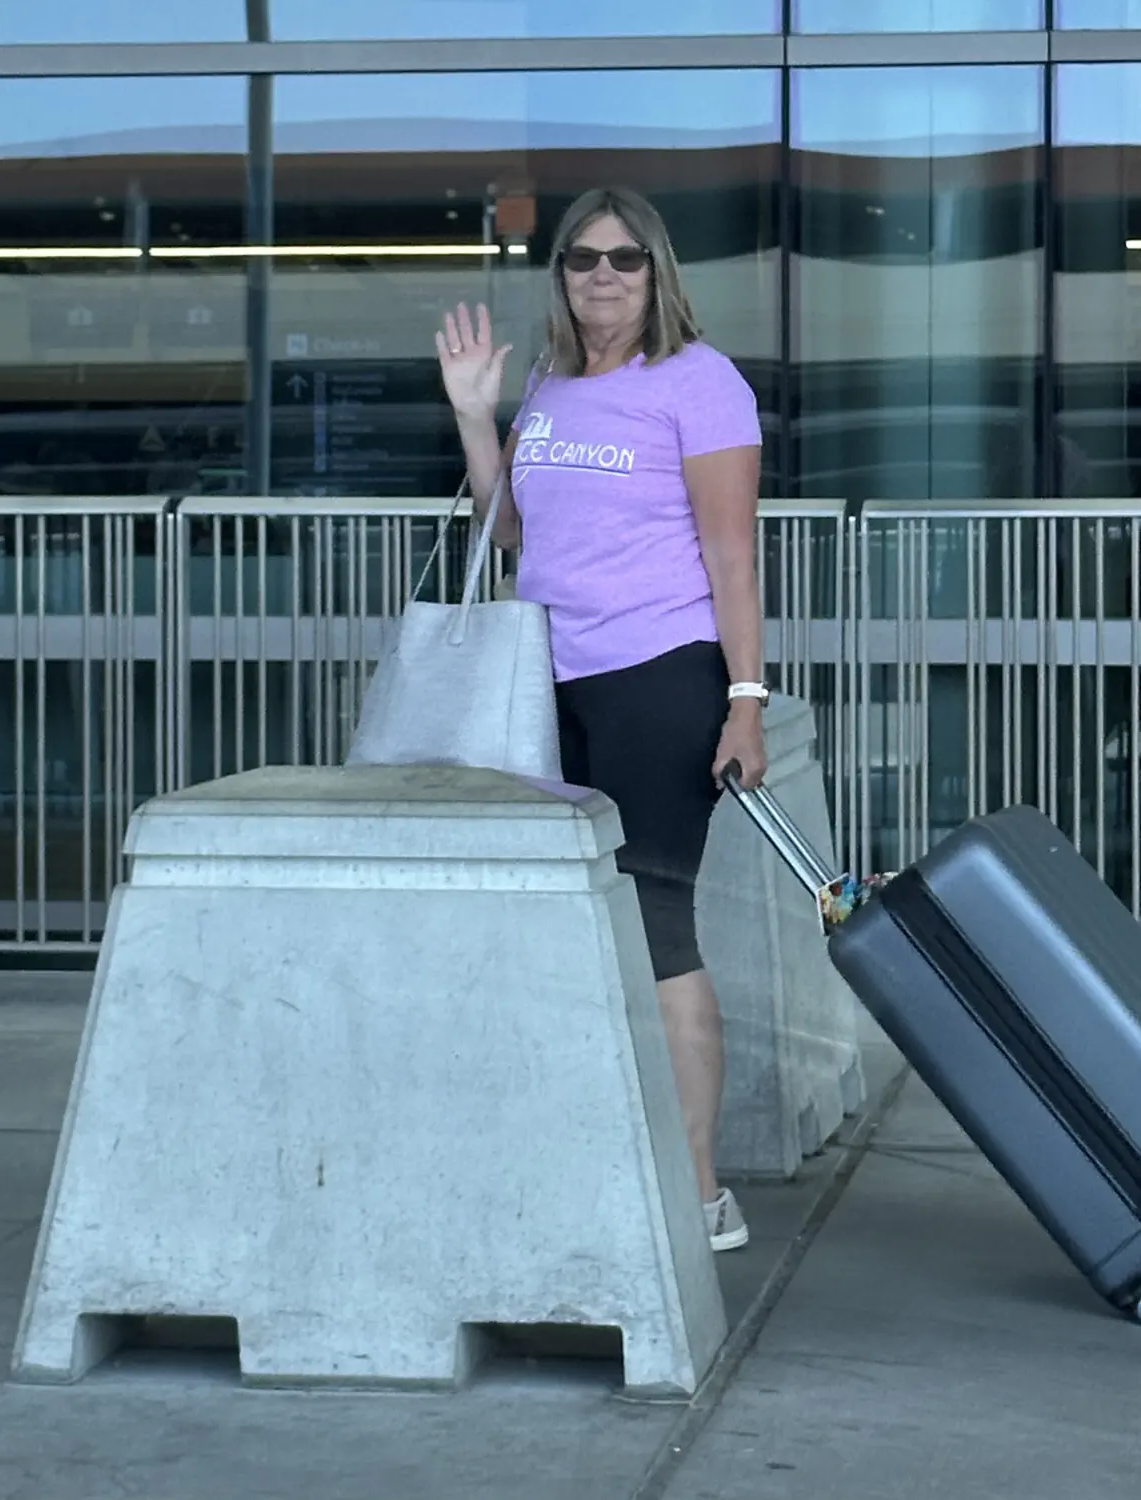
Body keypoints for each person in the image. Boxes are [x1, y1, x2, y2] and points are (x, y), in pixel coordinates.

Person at [435, 185, 768, 1253]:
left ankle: (699, 1195)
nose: (604, 278)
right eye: (583, 260)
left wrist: (745, 703)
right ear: (560, 275)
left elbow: (730, 556)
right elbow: (516, 539)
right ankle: (588, 1162)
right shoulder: (550, 383)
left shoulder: (699, 384)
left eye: (625, 260)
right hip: (551, 682)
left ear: (656, 271)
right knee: (565, 933)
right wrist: (475, 416)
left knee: (658, 933)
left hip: (659, 678)